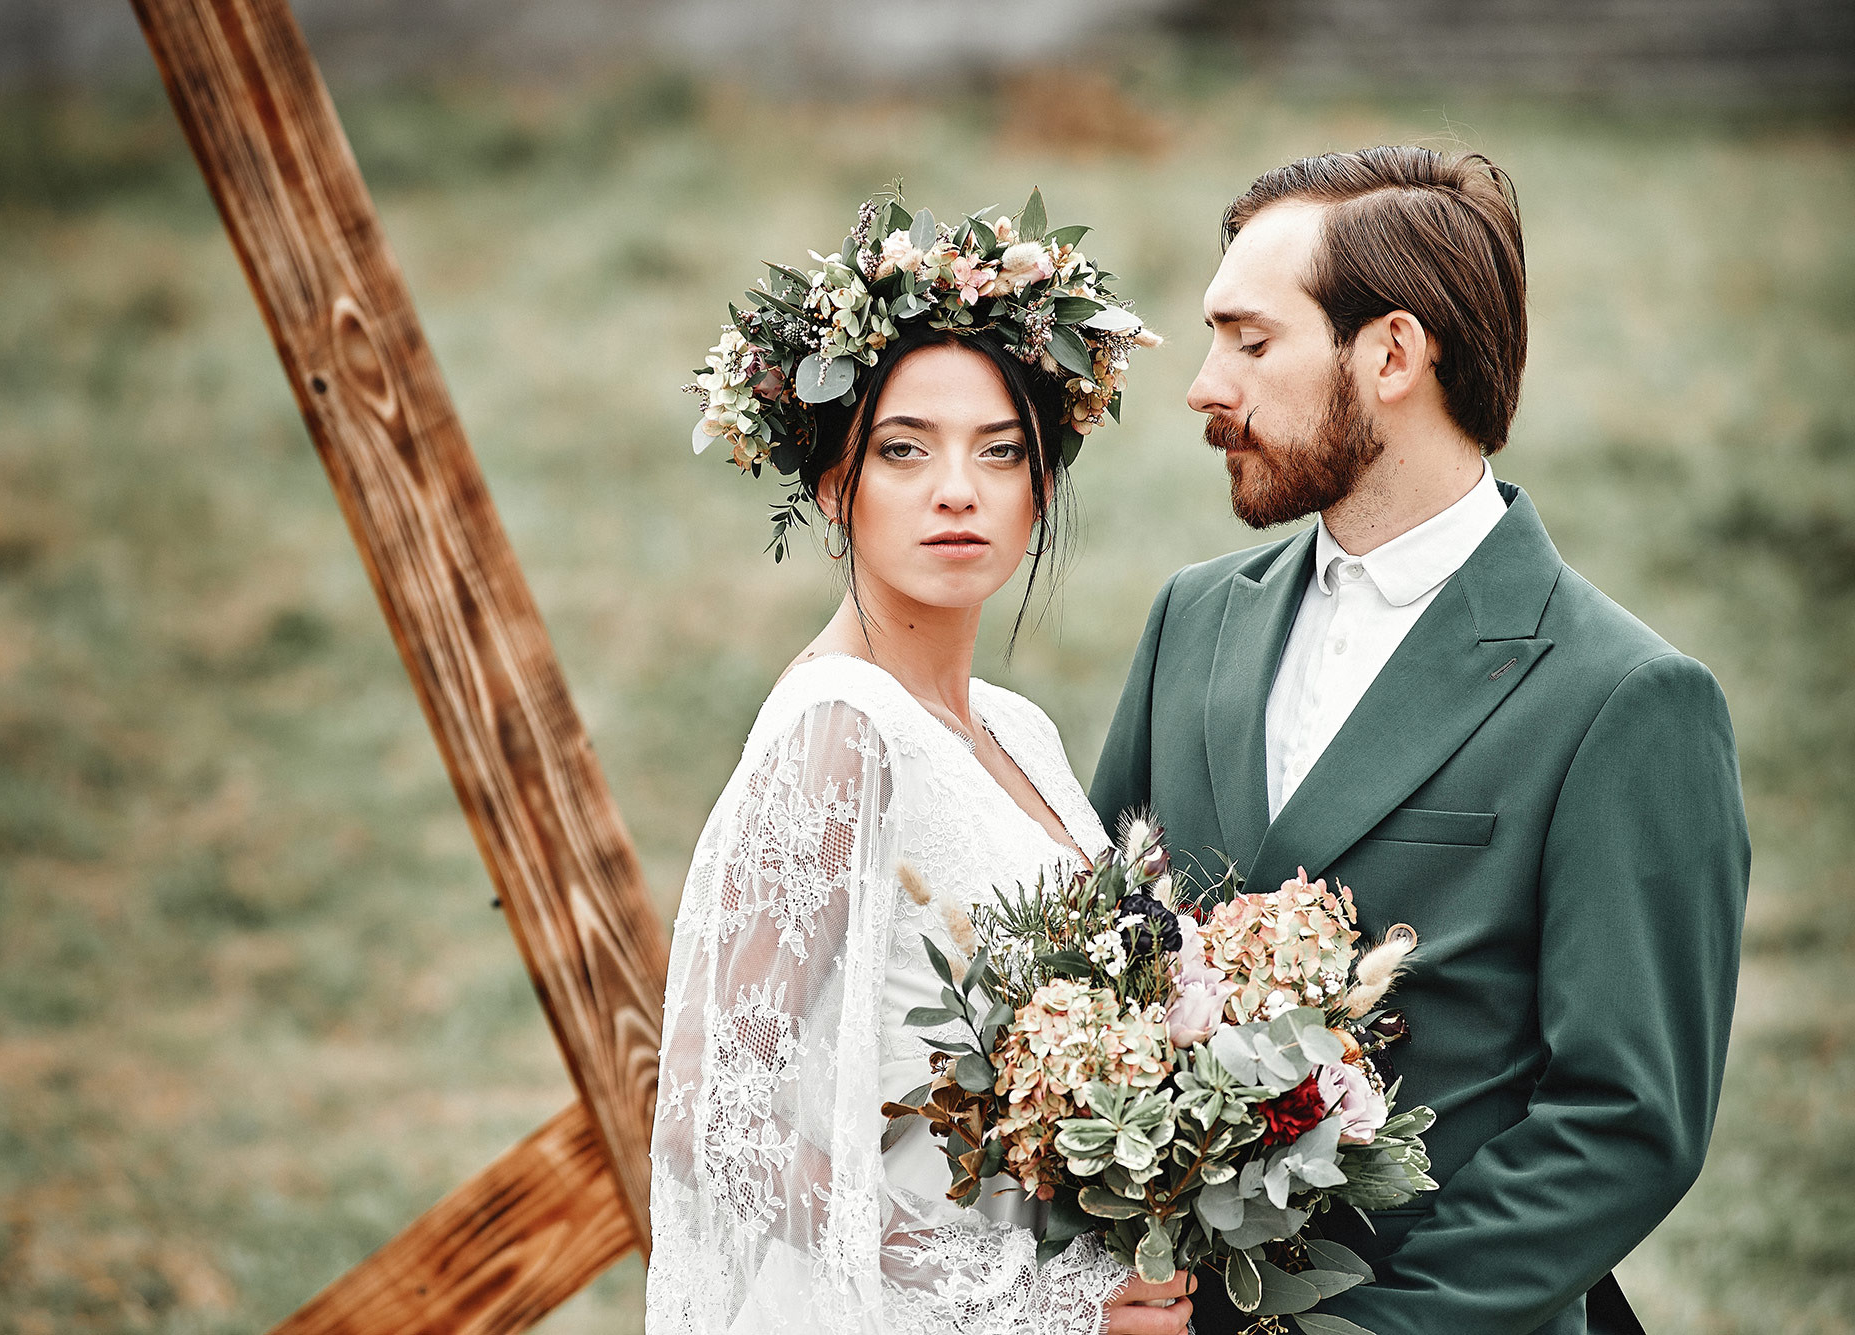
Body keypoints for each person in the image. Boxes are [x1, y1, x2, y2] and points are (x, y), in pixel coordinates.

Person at [1091, 146, 1750, 1334]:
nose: (1200, 385)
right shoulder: (1191, 619)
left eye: (1249, 342)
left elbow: (1623, 1122)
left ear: (1390, 353)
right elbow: (1099, 971)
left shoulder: (1626, 699)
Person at [649, 197, 1194, 1334]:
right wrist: (1032, 1301)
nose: (958, 489)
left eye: (1000, 453)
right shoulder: (839, 730)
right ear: (834, 484)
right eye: (905, 450)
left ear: (1040, 490)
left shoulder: (1015, 729)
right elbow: (716, 1112)